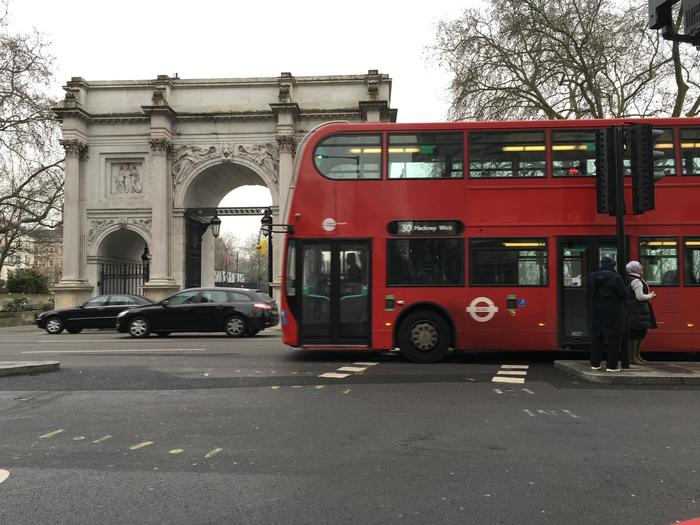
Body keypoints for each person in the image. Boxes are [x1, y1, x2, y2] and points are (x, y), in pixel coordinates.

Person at [589, 256, 628, 371]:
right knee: (614, 338)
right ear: (612, 265)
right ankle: (611, 366)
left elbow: (591, 292)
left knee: (597, 337)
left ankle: (595, 364)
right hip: (614, 311)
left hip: (597, 310)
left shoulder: (593, 276)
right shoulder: (616, 277)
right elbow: (624, 294)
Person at [624, 260, 657, 365]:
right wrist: (651, 296)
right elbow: (640, 296)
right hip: (637, 311)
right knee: (636, 333)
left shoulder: (631, 279)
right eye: (640, 268)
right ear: (636, 270)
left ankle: (636, 355)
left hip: (635, 311)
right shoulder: (636, 281)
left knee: (639, 333)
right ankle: (632, 357)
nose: (642, 269)